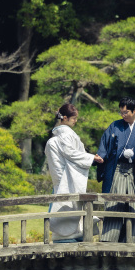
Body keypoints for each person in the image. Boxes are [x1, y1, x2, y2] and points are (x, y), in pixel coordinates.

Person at [95, 97, 135, 243]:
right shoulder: (115, 126)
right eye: (121, 112)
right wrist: (100, 157)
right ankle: (109, 240)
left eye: (126, 112)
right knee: (113, 203)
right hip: (117, 169)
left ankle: (134, 240)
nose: (123, 115)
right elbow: (104, 146)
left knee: (134, 205)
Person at [44, 103, 103, 243]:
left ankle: (68, 235)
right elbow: (71, 153)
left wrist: (89, 158)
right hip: (66, 176)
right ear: (65, 118)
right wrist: (91, 158)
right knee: (68, 204)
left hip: (64, 176)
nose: (75, 121)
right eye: (74, 118)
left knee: (69, 203)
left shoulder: (59, 136)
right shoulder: (65, 134)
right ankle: (66, 236)